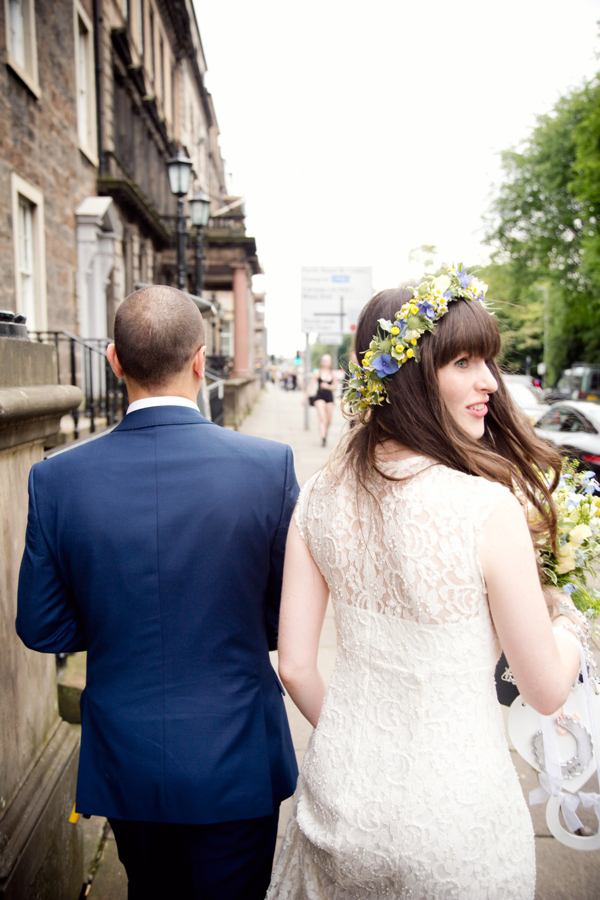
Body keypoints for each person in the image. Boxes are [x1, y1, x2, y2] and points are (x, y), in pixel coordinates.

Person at [267, 268, 582, 900]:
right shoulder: (486, 509)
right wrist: (567, 619)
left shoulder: (319, 497)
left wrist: (361, 743)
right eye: (463, 362)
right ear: (410, 376)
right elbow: (547, 689)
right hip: (455, 815)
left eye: (486, 362)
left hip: (339, 797)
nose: (488, 382)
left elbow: (296, 666)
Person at [16, 286, 299, 900]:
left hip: (128, 752)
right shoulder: (268, 467)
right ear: (202, 361)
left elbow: (40, 626)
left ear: (114, 361)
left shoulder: (56, 478)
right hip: (236, 752)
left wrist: (116, 617)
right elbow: (286, 615)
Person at [305, 354, 338, 446]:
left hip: (329, 398)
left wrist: (327, 386)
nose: (325, 362)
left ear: (330, 362)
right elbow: (310, 386)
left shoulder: (333, 374)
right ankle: (323, 437)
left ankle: (325, 433)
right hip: (319, 396)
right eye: (323, 360)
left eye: (327, 360)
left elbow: (335, 387)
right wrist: (305, 398)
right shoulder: (317, 373)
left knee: (329, 420)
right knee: (322, 417)